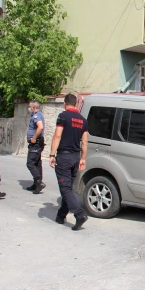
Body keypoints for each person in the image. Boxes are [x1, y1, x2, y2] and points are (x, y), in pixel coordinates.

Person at [49, 94, 89, 230]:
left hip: (64, 157)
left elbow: (57, 135)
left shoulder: (63, 116)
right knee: (68, 189)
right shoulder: (83, 120)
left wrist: (51, 154)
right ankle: (61, 215)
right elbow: (84, 142)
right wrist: (83, 158)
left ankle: (79, 214)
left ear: (65, 103)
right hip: (75, 157)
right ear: (76, 104)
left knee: (65, 188)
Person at [26, 100, 46, 194]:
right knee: (37, 163)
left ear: (33, 107)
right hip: (38, 143)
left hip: (36, 143)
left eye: (30, 106)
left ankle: (39, 181)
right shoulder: (37, 115)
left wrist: (34, 138)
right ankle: (36, 184)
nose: (29, 108)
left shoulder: (36, 115)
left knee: (30, 163)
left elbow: (40, 127)